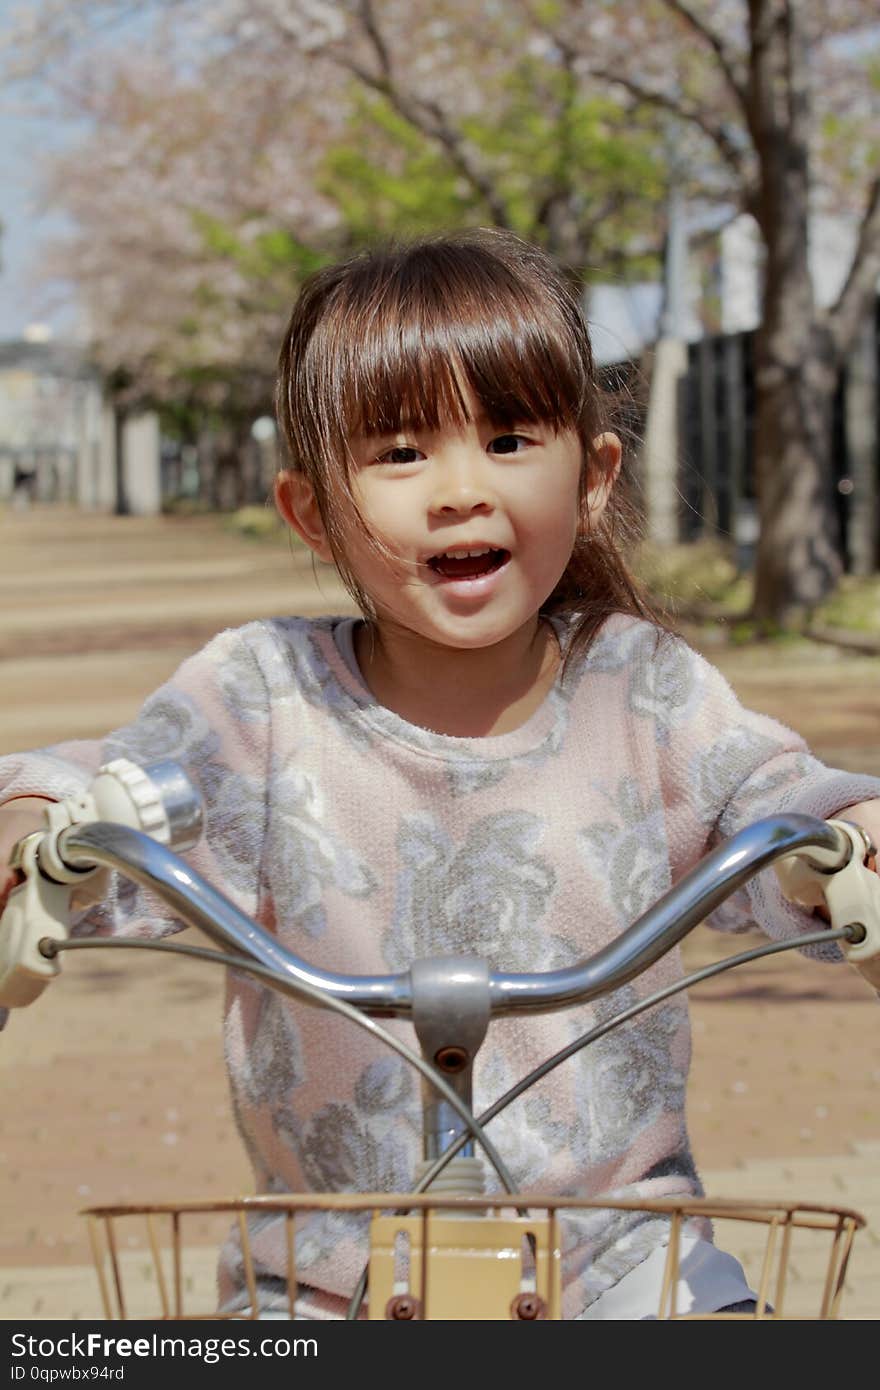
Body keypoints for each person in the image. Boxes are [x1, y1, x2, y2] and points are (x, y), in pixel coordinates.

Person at [1, 229, 878, 1320]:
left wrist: (841, 843)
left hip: (619, 1249)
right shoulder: (265, 693)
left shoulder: (641, 686)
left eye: (509, 439)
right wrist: (41, 822)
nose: (461, 490)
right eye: (402, 454)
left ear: (595, 476)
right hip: (330, 1266)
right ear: (313, 511)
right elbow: (133, 791)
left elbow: (768, 794)